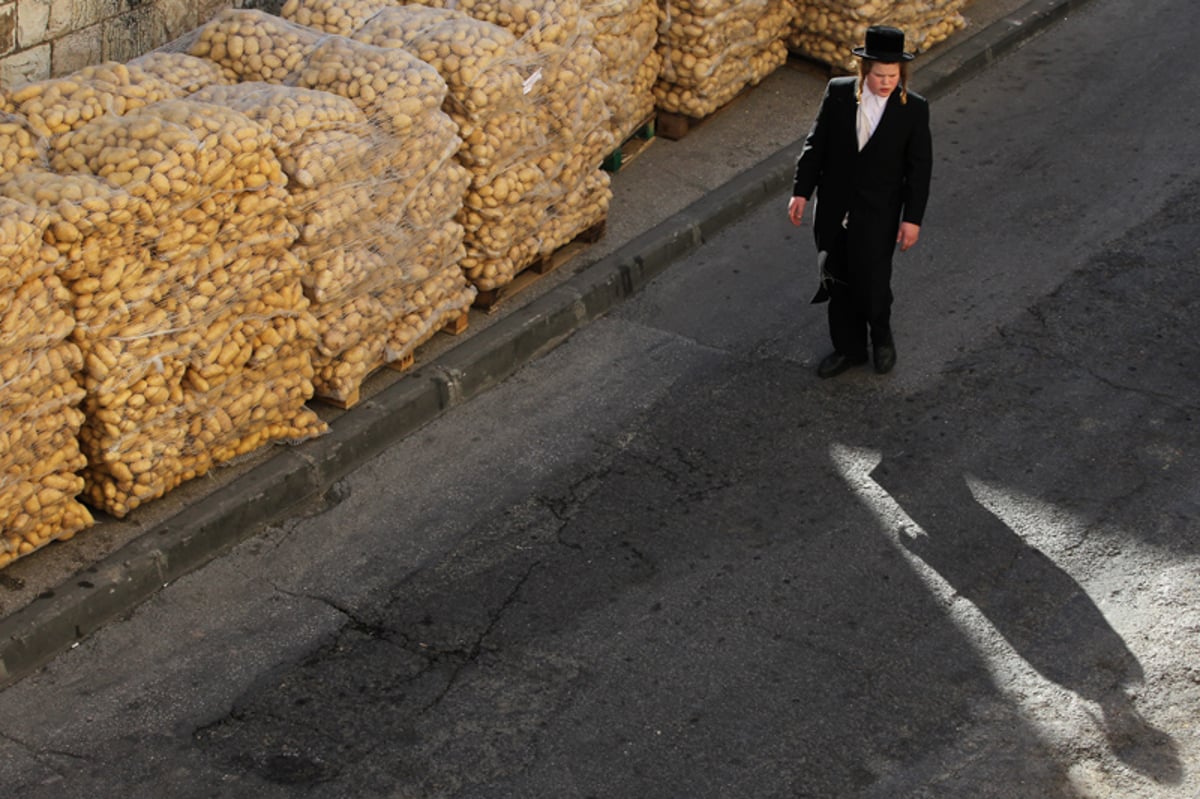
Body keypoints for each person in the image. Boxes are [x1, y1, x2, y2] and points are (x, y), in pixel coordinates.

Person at [788, 25, 933, 378]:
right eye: (880, 75)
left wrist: (911, 219)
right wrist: (801, 191)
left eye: (893, 75)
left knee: (872, 283)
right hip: (834, 210)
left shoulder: (913, 109)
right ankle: (848, 349)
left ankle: (881, 339)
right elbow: (815, 146)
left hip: (878, 215)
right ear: (864, 71)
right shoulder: (837, 94)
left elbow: (919, 170)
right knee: (837, 282)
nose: (886, 82)